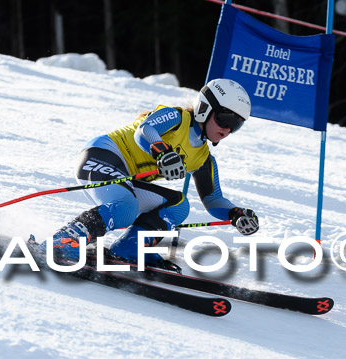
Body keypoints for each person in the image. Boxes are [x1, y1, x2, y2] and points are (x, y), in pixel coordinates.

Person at [45, 78, 259, 271]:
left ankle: (130, 248)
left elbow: (213, 199)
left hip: (125, 179)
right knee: (125, 208)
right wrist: (162, 151)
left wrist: (235, 213)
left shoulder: (203, 157)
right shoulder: (177, 118)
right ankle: (63, 241)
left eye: (236, 125)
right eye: (225, 120)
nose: (228, 130)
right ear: (205, 108)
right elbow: (144, 130)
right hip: (99, 158)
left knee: (179, 205)